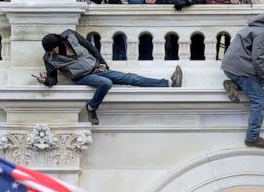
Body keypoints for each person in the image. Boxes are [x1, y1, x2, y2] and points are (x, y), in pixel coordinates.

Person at [38, 30, 182, 125]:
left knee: (131, 78)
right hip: (83, 77)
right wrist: (45, 81)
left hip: (98, 68)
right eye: (50, 51)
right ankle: (91, 107)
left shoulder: (70, 35)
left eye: (53, 49)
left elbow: (91, 48)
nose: (53, 52)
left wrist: (103, 63)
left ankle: (168, 83)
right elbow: (53, 79)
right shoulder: (50, 58)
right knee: (106, 83)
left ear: (58, 43)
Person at [221, 7, 264, 148]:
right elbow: (258, 60)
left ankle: (233, 84)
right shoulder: (263, 32)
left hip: (230, 67)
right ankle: (252, 138)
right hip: (241, 68)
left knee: (254, 83)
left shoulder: (253, 26)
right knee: (259, 100)